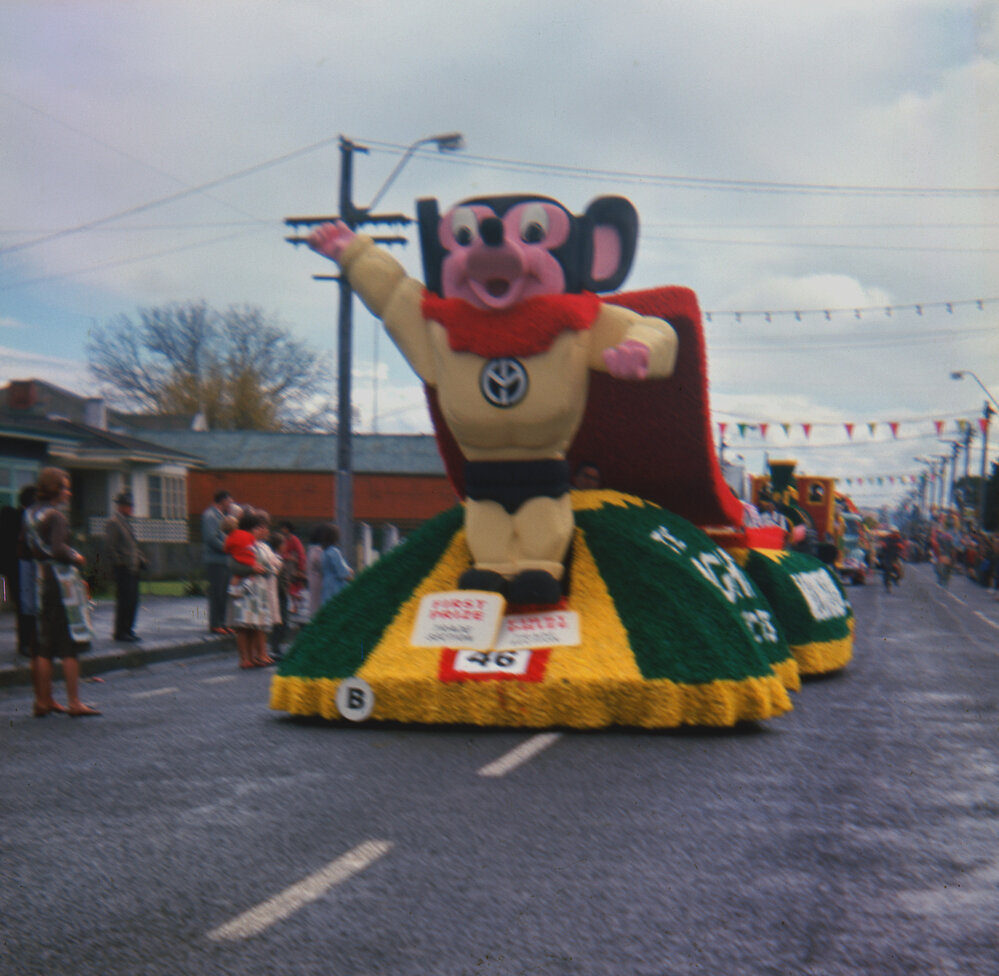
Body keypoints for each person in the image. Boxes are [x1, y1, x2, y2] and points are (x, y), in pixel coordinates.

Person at [22, 467, 100, 717]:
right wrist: (76, 556)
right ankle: (74, 702)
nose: (69, 492)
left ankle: (43, 700)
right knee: (69, 644)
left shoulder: (31, 513)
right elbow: (58, 549)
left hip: (42, 579)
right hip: (61, 583)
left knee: (45, 644)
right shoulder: (56, 516)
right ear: (55, 489)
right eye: (65, 487)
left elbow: (32, 548)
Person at [225, 511, 278, 668]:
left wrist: (267, 568)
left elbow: (268, 566)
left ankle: (253, 656)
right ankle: (244, 658)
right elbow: (234, 564)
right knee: (243, 625)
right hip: (244, 589)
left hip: (257, 590)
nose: (262, 531)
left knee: (253, 624)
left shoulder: (258, 545)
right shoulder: (243, 544)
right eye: (258, 528)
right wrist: (253, 568)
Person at [0, 484, 39, 658]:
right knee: (24, 607)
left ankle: (29, 641)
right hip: (16, 569)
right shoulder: (15, 517)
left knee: (27, 607)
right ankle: (24, 643)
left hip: (25, 569)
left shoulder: (28, 518)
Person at [105, 490, 147, 642]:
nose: (131, 509)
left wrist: (141, 559)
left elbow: (132, 546)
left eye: (131, 506)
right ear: (120, 506)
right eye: (128, 506)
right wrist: (119, 563)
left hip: (133, 568)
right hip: (124, 569)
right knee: (124, 601)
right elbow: (110, 547)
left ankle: (128, 629)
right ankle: (120, 631)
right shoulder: (113, 523)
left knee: (133, 601)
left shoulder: (126, 522)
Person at [202, 489, 233, 634]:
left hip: (224, 560)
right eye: (229, 501)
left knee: (224, 592)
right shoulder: (210, 516)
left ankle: (223, 621)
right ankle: (215, 623)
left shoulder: (222, 516)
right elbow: (211, 538)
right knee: (217, 592)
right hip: (215, 560)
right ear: (223, 501)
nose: (231, 504)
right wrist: (227, 548)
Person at [276, 521, 307, 614]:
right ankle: (295, 602)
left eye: (284, 528)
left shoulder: (294, 539)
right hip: (286, 564)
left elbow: (301, 554)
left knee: (292, 585)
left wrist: (301, 568)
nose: (282, 530)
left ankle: (295, 605)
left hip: (293, 566)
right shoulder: (283, 539)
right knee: (290, 586)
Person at [320, 523, 354, 605]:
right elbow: (342, 572)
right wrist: (351, 574)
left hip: (326, 585)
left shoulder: (324, 552)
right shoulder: (334, 552)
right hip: (336, 586)